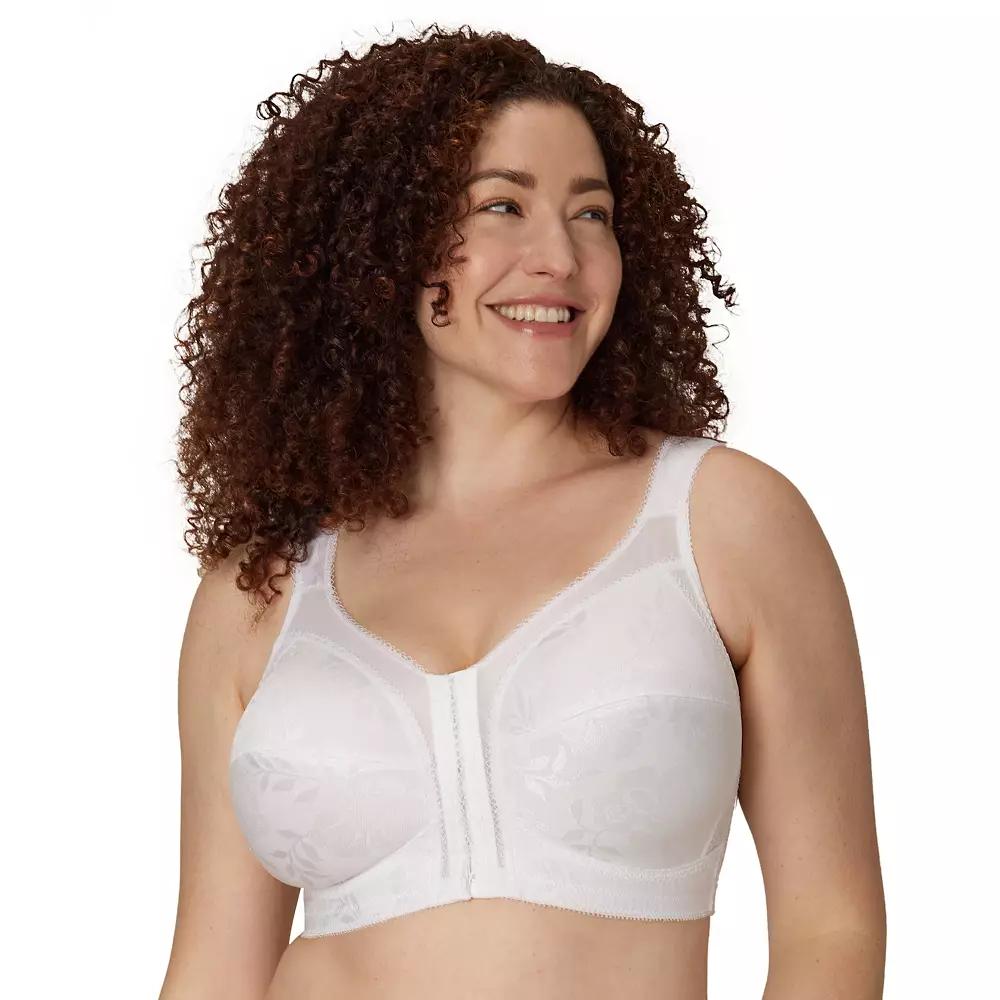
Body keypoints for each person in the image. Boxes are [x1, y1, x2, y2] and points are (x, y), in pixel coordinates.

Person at [159, 23, 886, 1000]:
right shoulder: (262, 590)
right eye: (502, 205)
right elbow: (212, 969)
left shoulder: (722, 522)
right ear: (384, 241)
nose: (560, 256)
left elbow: (831, 931)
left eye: (592, 214)